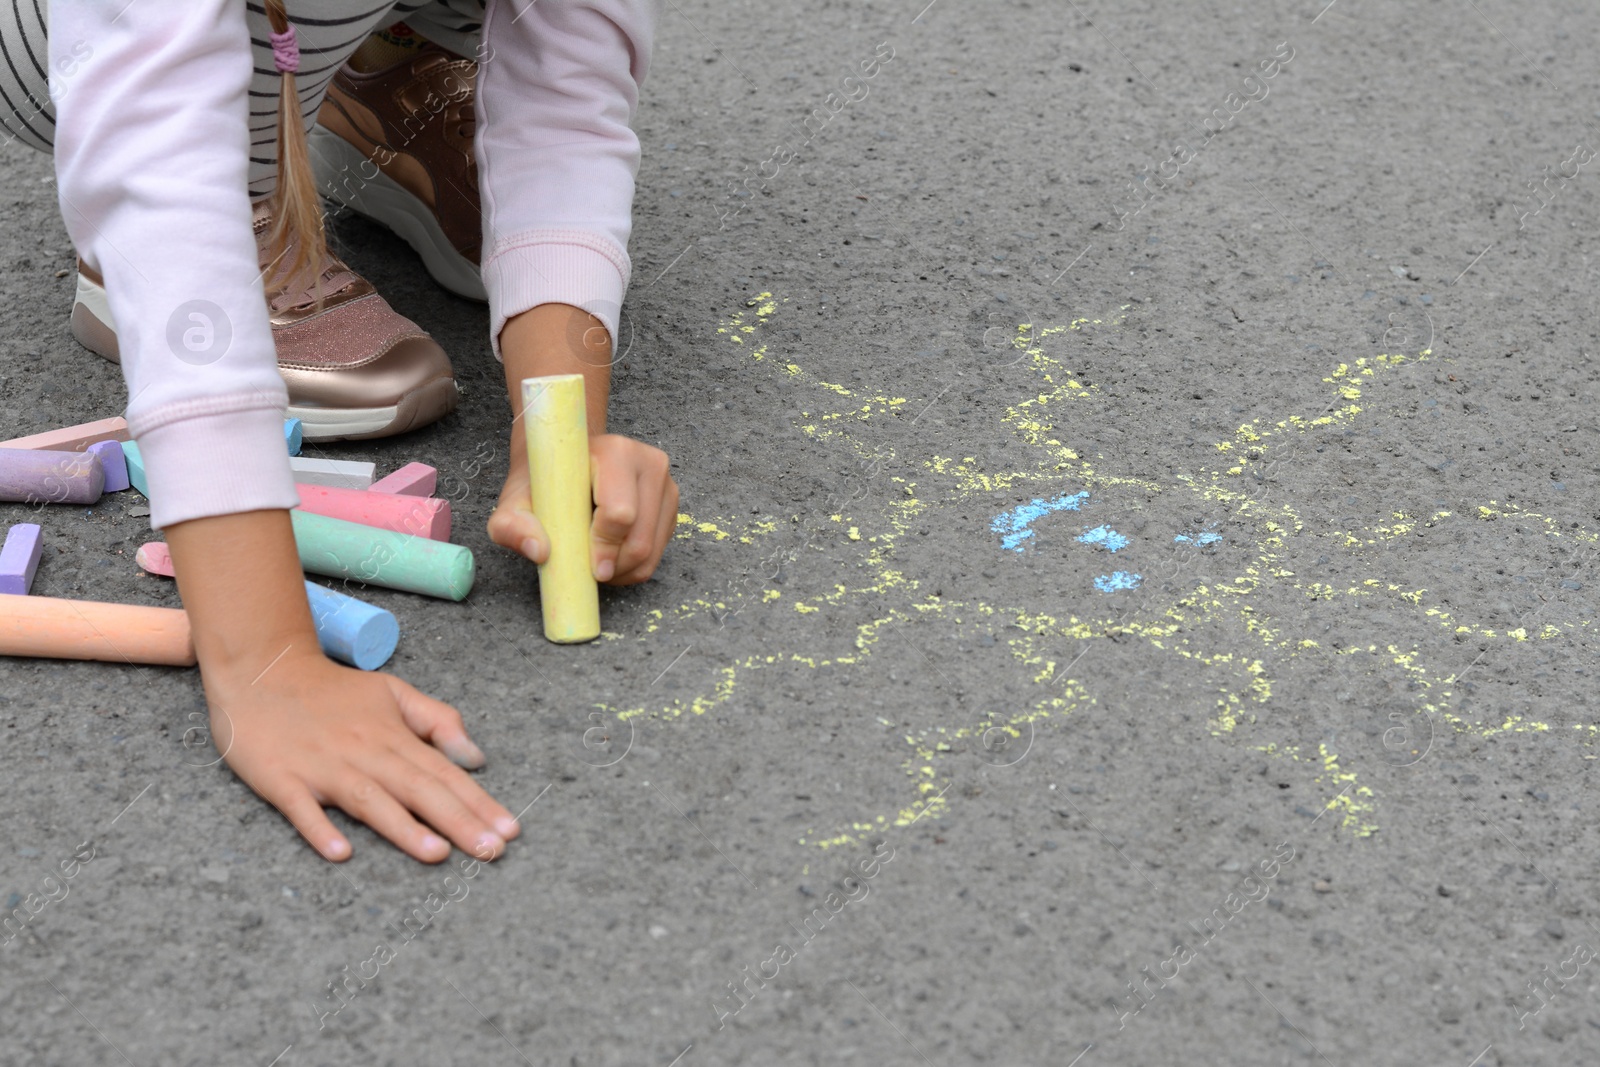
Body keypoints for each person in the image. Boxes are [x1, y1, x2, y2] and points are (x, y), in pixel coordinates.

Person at [0, 0, 677, 864]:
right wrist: (264, 652)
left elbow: (568, 81)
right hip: (78, 44)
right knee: (181, 124)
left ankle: (392, 77)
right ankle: (246, 185)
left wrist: (559, 427)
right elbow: (153, 148)